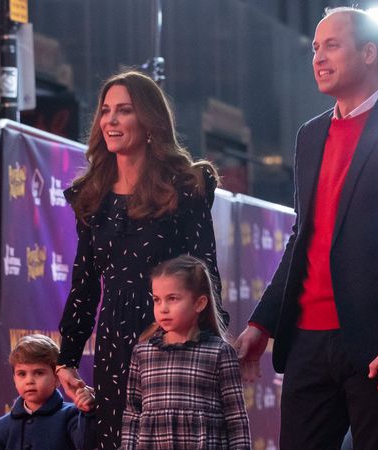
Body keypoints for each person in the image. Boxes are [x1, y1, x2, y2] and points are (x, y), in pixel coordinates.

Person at [235, 6, 378, 450]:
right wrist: (262, 323)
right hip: (305, 340)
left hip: (377, 346)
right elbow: (303, 237)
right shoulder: (309, 135)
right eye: (316, 47)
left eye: (332, 46)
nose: (318, 57)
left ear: (368, 54)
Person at [56, 70, 226, 449]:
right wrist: (66, 359)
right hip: (114, 346)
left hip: (174, 345)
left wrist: (208, 346)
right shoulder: (92, 196)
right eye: (105, 111)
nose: (111, 121)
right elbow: (84, 284)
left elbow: (206, 275)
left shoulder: (185, 187)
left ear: (149, 120)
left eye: (124, 111)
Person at [120, 255, 251, 449]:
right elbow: (132, 413)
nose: (163, 308)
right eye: (157, 300)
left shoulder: (219, 352)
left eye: (172, 299)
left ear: (199, 303)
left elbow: (236, 417)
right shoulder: (143, 353)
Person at [0, 334, 95, 450]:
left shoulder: (71, 415)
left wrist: (88, 412)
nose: (29, 381)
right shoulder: (4, 424)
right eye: (22, 374)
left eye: (39, 373)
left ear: (57, 378)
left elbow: (87, 445)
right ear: (14, 379)